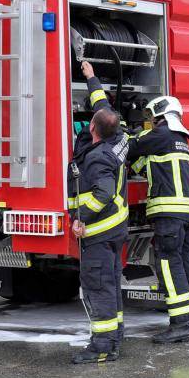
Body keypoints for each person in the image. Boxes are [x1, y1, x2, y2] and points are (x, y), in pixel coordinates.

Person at [81, 62, 189, 344]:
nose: (148, 122)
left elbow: (126, 141)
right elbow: (141, 161)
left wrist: (97, 89)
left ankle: (180, 326)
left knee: (168, 265)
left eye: (152, 117)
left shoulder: (160, 135)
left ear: (162, 116)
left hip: (169, 215)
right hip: (188, 215)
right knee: (187, 264)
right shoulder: (180, 139)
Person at [68, 104, 131, 364]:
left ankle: (102, 347)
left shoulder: (97, 157)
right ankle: (113, 339)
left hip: (99, 233)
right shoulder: (113, 148)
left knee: (99, 288)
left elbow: (102, 194)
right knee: (111, 287)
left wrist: (79, 218)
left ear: (91, 127)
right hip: (112, 232)